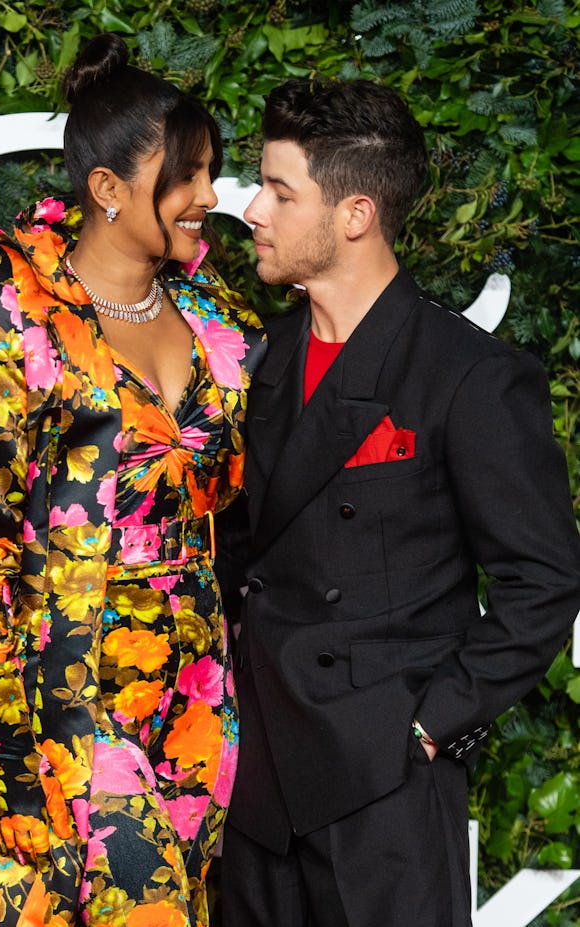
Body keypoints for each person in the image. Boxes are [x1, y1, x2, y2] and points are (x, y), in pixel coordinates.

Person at [0, 33, 265, 927]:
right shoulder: (1, 290)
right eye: (189, 174)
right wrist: (14, 757)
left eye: (212, 171)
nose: (211, 196)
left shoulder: (221, 323)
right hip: (50, 681)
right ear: (108, 189)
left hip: (191, 690)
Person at [217, 77, 580, 927]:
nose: (254, 212)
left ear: (353, 215)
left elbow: (544, 582)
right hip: (255, 784)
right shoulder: (259, 363)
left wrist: (427, 727)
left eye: (279, 191)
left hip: (382, 791)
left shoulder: (470, 376)